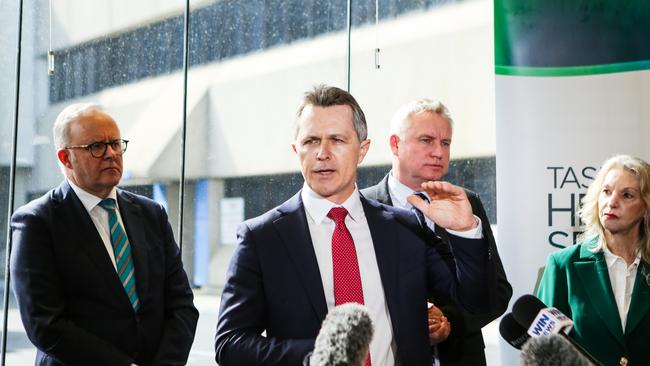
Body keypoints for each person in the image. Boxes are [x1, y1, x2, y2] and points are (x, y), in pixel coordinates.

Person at [214, 85, 493, 366]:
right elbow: (230, 344)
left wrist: (465, 231)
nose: (322, 153)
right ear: (296, 149)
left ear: (362, 150)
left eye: (336, 140)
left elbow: (474, 302)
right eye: (311, 141)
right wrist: (319, 358)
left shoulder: (405, 227)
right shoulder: (262, 238)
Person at [10, 103, 199, 366]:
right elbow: (45, 325)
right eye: (96, 147)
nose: (111, 154)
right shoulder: (37, 222)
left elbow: (182, 305)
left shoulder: (151, 214)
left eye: (116, 143)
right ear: (66, 158)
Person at [361, 99, 511, 365]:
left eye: (445, 143)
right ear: (395, 144)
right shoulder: (363, 208)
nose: (438, 152)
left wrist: (447, 321)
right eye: (426, 140)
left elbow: (497, 293)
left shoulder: (467, 202)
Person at [537, 154, 650, 366]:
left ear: (645, 207)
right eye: (606, 192)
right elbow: (544, 353)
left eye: (627, 195)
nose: (612, 202)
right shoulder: (563, 265)